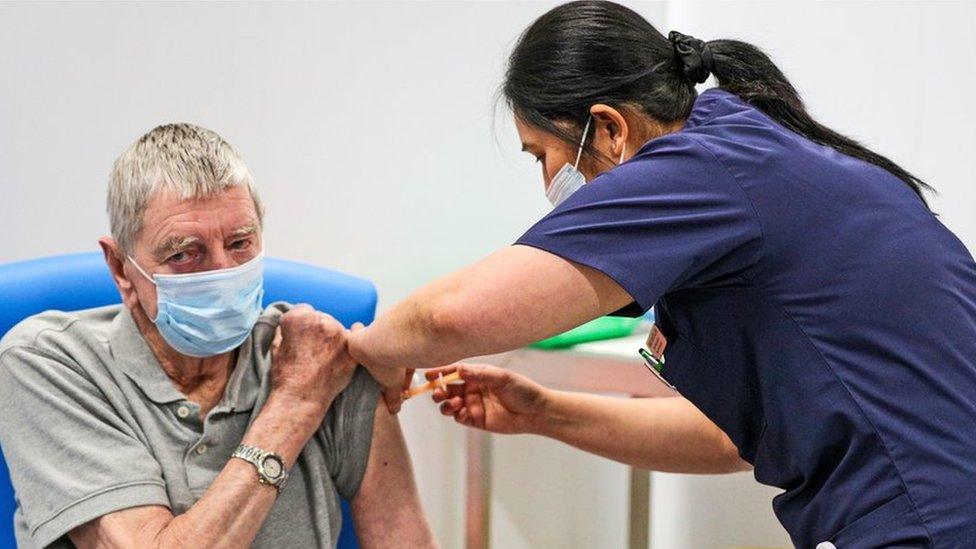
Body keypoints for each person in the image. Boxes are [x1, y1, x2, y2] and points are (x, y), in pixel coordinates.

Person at [348, 1, 976, 547]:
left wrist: (362, 349)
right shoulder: (750, 150)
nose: (546, 185)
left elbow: (451, 316)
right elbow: (737, 440)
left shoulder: (700, 170)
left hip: (928, 518)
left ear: (611, 129)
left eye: (544, 156)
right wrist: (543, 410)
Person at [0, 124, 436, 548]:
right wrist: (295, 404)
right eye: (185, 253)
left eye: (241, 243)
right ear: (120, 267)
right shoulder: (49, 363)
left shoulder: (318, 356)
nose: (223, 273)